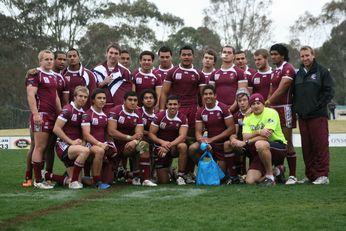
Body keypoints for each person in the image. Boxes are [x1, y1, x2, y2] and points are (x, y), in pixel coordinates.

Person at [294, 46, 334, 185]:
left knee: (320, 145)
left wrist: (316, 106)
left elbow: (329, 92)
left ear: (313, 55)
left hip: (318, 116)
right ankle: (310, 175)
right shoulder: (298, 73)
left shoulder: (322, 71)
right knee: (307, 147)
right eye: (302, 56)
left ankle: (322, 175)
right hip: (303, 117)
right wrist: (298, 109)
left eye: (307, 55)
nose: (305, 58)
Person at [231, 93, 287, 186]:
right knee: (250, 181)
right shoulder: (248, 117)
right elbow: (245, 136)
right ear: (250, 106)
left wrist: (247, 142)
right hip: (260, 151)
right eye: (253, 104)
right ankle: (277, 171)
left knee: (261, 143)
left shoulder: (271, 112)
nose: (256, 106)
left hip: (278, 146)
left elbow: (266, 136)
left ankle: (270, 177)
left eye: (258, 103)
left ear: (263, 104)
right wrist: (259, 131)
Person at [25, 50, 62, 189]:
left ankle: (45, 176)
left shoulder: (55, 76)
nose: (49, 61)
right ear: (40, 61)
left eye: (51, 59)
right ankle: (38, 180)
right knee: (39, 146)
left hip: (53, 116)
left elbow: (56, 97)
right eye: (46, 59)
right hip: (41, 115)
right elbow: (30, 95)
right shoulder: (35, 74)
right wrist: (35, 114)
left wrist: (60, 114)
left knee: (48, 148)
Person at [188, 85, 237, 183]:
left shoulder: (223, 108)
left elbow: (231, 129)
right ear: (202, 96)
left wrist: (212, 139)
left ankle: (225, 172)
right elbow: (198, 132)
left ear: (215, 96)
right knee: (192, 148)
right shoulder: (200, 111)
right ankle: (207, 169)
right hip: (209, 145)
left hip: (222, 144)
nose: (208, 96)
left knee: (220, 179)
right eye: (205, 94)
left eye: (210, 94)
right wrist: (203, 142)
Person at [108, 91, 157, 186]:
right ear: (124, 101)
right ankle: (118, 173)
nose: (133, 102)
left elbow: (139, 133)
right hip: (112, 146)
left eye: (135, 100)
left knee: (143, 145)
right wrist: (129, 138)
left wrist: (134, 141)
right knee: (108, 180)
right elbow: (111, 132)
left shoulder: (138, 114)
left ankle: (143, 178)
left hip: (127, 146)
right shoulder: (115, 111)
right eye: (130, 100)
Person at [266, 44, 297, 185]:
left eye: (276, 54)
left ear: (283, 55)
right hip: (273, 110)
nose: (273, 57)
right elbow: (271, 90)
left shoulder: (288, 68)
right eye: (271, 54)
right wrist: (267, 106)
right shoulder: (275, 70)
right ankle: (279, 172)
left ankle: (293, 175)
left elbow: (281, 89)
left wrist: (268, 102)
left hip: (285, 109)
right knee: (276, 142)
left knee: (287, 142)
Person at [50, 86, 90, 189]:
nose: (83, 99)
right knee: (85, 151)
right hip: (63, 146)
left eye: (85, 97)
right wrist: (71, 141)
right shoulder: (68, 109)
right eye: (80, 96)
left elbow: (83, 133)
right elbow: (56, 129)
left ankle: (47, 175)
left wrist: (83, 141)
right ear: (75, 97)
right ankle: (74, 182)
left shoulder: (83, 112)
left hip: (74, 147)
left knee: (79, 181)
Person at [81, 88, 117, 189]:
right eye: (99, 98)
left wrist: (111, 144)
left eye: (104, 98)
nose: (102, 100)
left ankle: (113, 176)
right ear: (93, 100)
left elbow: (107, 134)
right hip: (89, 144)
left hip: (102, 143)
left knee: (114, 152)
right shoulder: (87, 114)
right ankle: (97, 181)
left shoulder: (105, 115)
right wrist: (100, 144)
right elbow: (86, 135)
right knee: (100, 151)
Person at [149, 95, 188, 185]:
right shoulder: (159, 116)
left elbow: (182, 136)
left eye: (175, 104)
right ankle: (170, 171)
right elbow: (151, 134)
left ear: (179, 105)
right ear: (166, 105)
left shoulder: (182, 117)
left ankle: (180, 176)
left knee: (183, 146)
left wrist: (169, 145)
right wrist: (163, 143)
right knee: (164, 181)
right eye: (170, 104)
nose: (172, 106)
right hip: (161, 147)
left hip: (174, 147)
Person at [93, 43, 134, 113]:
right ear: (106, 53)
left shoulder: (125, 72)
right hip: (100, 108)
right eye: (111, 53)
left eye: (116, 53)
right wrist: (103, 83)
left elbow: (130, 91)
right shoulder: (97, 70)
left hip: (119, 109)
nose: (113, 56)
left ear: (119, 56)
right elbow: (91, 89)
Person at [209, 46, 247, 112]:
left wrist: (233, 107)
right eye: (224, 52)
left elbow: (242, 93)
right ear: (221, 55)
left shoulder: (240, 72)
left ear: (233, 56)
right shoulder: (214, 73)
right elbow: (210, 93)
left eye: (229, 53)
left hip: (235, 109)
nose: (226, 54)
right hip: (218, 109)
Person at [230, 88, 251, 176]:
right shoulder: (236, 116)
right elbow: (235, 132)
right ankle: (240, 171)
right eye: (239, 101)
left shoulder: (255, 112)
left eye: (244, 100)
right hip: (241, 142)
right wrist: (233, 139)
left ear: (249, 100)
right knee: (234, 144)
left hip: (253, 141)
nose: (242, 103)